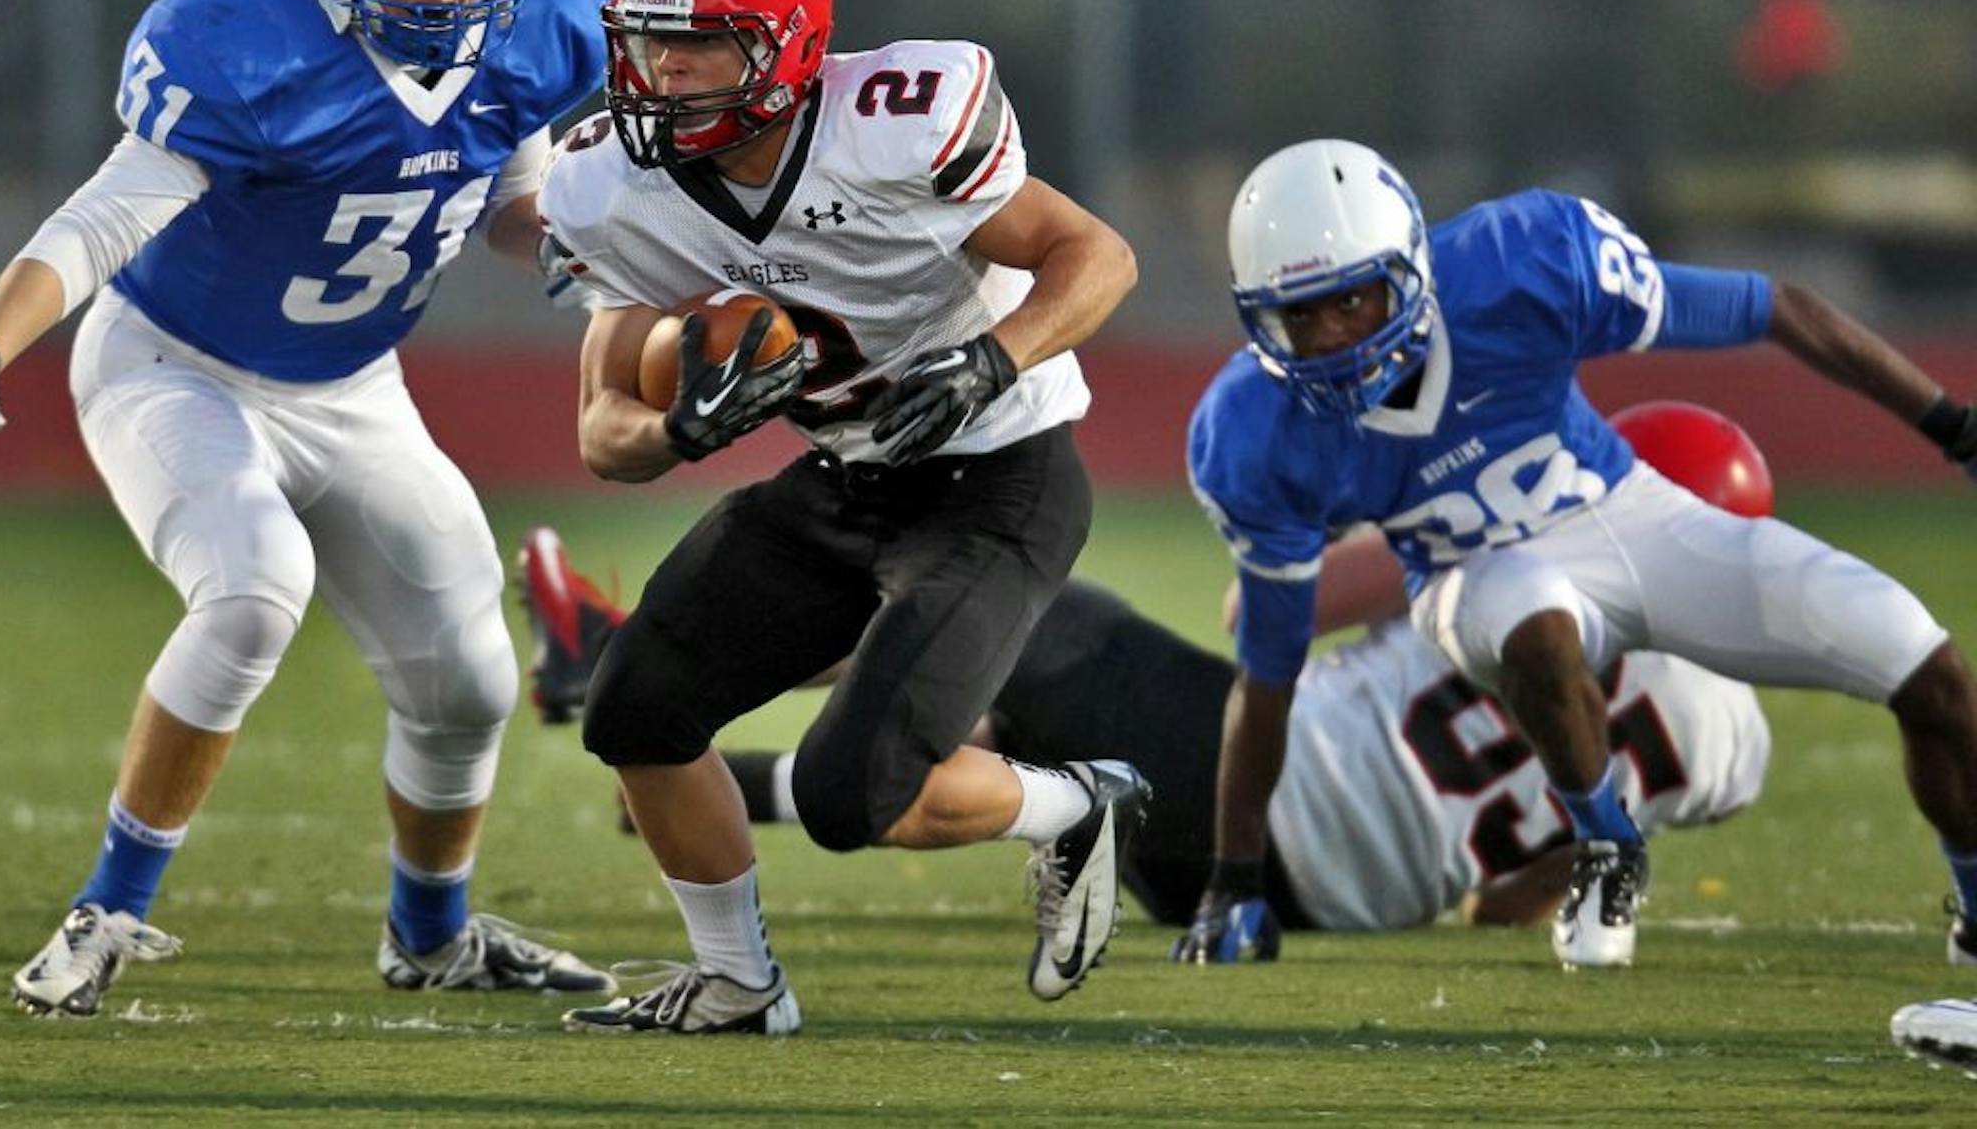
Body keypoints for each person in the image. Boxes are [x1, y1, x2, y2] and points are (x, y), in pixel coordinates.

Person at [0, 0, 616, 1016]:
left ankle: (429, 937)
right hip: (174, 364)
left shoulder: (547, 19)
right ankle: (108, 909)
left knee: (474, 684)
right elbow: (98, 224)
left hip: (352, 387)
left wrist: (569, 247)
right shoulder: (245, 46)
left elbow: (509, 187)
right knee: (251, 584)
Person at [528, 0, 1142, 1034]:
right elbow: (602, 425)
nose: (664, 72)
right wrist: (679, 431)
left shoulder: (898, 122)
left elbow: (1096, 256)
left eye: (701, 43)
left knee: (850, 793)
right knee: (633, 711)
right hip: (844, 473)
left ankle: (1074, 803)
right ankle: (737, 981)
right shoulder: (610, 184)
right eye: (649, 40)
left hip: (999, 470)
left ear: (786, 42)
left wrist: (990, 361)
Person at [1182, 138, 1977, 972]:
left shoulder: (1525, 265)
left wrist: (1950, 424)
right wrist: (1233, 881)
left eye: (1354, 301)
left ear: (1410, 270)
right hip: (1465, 573)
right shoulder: (1253, 430)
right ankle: (1605, 845)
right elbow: (1266, 678)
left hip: (1620, 510)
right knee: (1534, 616)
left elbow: (1770, 306)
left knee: (1925, 662)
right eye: (1299, 316)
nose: (1332, 338)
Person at [549, 400, 1776, 938]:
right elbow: (1538, 873)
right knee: (1010, 689)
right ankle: (727, 773)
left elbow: (1267, 609)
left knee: (1002, 606)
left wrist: (1429, 532)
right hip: (1296, 903)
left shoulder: (1515, 557)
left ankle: (642, 672)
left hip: (1240, 803)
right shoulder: (1731, 738)